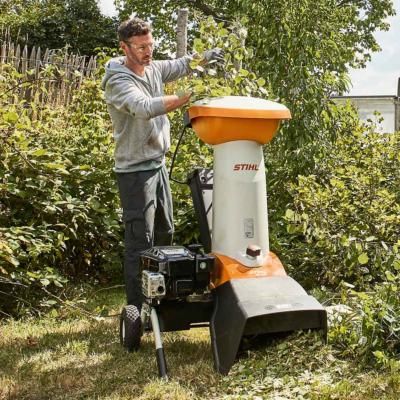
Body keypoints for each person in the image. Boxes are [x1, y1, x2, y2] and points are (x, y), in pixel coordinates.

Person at [102, 17, 223, 312]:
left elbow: (182, 64)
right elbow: (143, 107)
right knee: (140, 241)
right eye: (141, 47)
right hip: (134, 172)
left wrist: (210, 56)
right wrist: (186, 97)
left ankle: (159, 297)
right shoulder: (118, 81)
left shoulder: (154, 68)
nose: (148, 52)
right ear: (124, 47)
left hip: (157, 165)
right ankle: (137, 309)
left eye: (150, 45)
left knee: (165, 231)